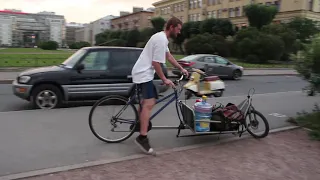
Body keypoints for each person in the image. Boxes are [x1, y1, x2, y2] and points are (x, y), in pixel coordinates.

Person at [131, 16, 189, 155]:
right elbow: (156, 63)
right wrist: (165, 79)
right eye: (178, 29)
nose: (179, 32)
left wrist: (181, 68)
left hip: (144, 73)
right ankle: (142, 137)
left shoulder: (162, 38)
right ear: (172, 27)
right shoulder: (161, 39)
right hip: (143, 73)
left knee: (149, 100)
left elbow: (168, 57)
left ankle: (139, 123)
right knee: (149, 103)